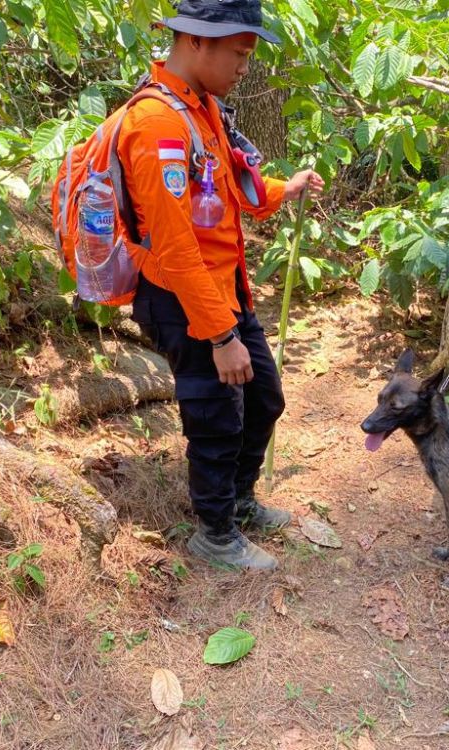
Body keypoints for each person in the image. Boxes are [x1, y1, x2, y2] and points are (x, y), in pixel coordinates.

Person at [119, 0, 324, 570]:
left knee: (263, 397)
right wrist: (219, 336)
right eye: (239, 53)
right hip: (182, 296)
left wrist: (285, 188)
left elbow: (227, 192)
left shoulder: (202, 109)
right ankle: (214, 532)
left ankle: (238, 499)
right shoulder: (156, 123)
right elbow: (175, 243)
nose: (244, 67)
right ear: (198, 42)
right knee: (216, 413)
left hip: (223, 289)